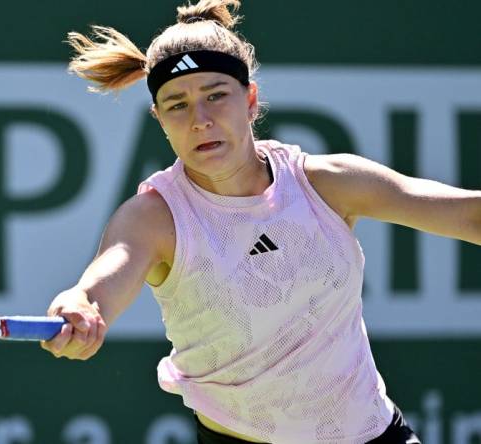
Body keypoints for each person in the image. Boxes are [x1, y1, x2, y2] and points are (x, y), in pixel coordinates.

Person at [40, 1, 481, 442]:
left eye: (216, 95)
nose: (200, 120)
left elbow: (467, 215)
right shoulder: (154, 218)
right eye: (178, 104)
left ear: (249, 100)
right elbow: (99, 287)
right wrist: (79, 306)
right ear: (159, 119)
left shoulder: (328, 183)